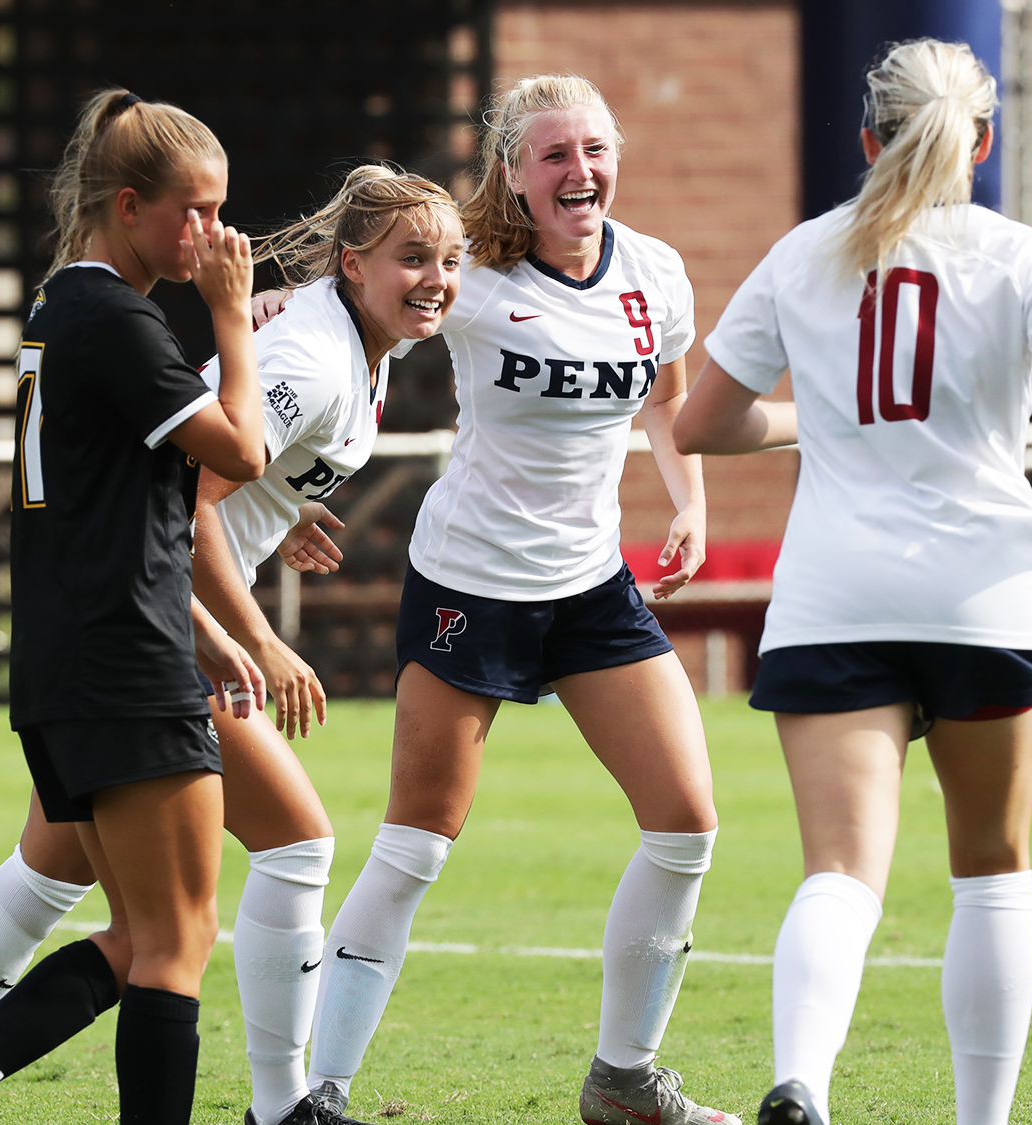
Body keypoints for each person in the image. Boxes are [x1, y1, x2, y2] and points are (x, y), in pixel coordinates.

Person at [0, 165, 466, 1125]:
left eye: (449, 260)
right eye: (413, 257)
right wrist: (253, 637)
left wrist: (286, 501)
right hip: (160, 630)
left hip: (118, 626)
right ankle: (280, 1104)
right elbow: (192, 503)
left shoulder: (344, 342)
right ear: (353, 263)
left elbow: (219, 469)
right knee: (291, 848)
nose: (437, 278)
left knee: (56, 874)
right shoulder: (311, 356)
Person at [672, 41, 1032, 1125]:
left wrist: (822, 419)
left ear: (864, 140)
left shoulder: (801, 254)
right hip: (982, 595)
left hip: (831, 598)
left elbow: (702, 423)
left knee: (840, 871)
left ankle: (799, 1080)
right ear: (981, 144)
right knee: (990, 869)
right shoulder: (1023, 255)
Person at [263, 74, 738, 1125]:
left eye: (594, 150)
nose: (581, 171)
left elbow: (668, 401)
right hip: (468, 584)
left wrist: (687, 502)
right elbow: (341, 311)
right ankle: (321, 1094)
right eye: (555, 155)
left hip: (590, 588)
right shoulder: (465, 269)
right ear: (514, 175)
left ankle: (622, 1082)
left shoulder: (652, 273)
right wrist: (272, 344)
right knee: (419, 842)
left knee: (686, 824)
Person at [0, 87, 265, 1125]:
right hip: (122, 663)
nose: (210, 234)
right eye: (193, 211)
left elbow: (126, 515)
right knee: (178, 944)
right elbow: (244, 452)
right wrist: (228, 314)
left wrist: (208, 632)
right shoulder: (112, 317)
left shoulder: (66, 309)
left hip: (74, 660)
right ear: (126, 205)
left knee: (142, 935)